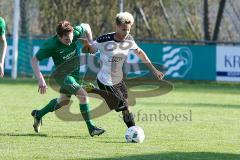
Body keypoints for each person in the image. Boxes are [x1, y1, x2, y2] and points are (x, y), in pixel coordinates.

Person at [84, 12, 164, 128]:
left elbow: (140, 53)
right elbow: (89, 50)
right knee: (123, 105)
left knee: (126, 107)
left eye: (128, 30)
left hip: (118, 79)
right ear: (116, 26)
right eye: (123, 29)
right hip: (105, 80)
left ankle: (132, 130)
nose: (126, 33)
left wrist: (154, 70)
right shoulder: (105, 40)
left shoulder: (129, 40)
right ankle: (94, 90)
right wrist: (87, 45)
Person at [31, 20, 105, 136]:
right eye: (66, 39)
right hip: (62, 76)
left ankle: (38, 114)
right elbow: (34, 60)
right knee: (83, 96)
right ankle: (92, 128)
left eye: (71, 38)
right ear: (59, 36)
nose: (70, 42)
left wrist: (90, 43)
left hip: (74, 75)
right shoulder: (51, 45)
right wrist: (40, 79)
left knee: (63, 101)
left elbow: (86, 26)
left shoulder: (74, 33)